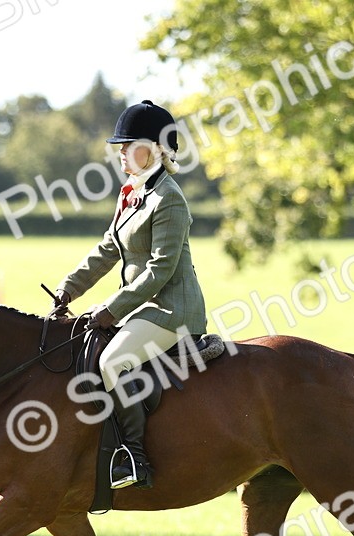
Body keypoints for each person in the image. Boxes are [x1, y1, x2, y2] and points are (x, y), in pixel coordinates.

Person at [51, 100, 208, 489]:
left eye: (128, 144)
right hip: (142, 308)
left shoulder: (169, 197)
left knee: (112, 363)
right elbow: (107, 249)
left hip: (172, 310)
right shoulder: (131, 194)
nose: (120, 152)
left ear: (155, 148)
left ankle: (134, 459)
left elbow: (160, 269)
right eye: (119, 146)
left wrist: (109, 308)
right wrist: (68, 289)